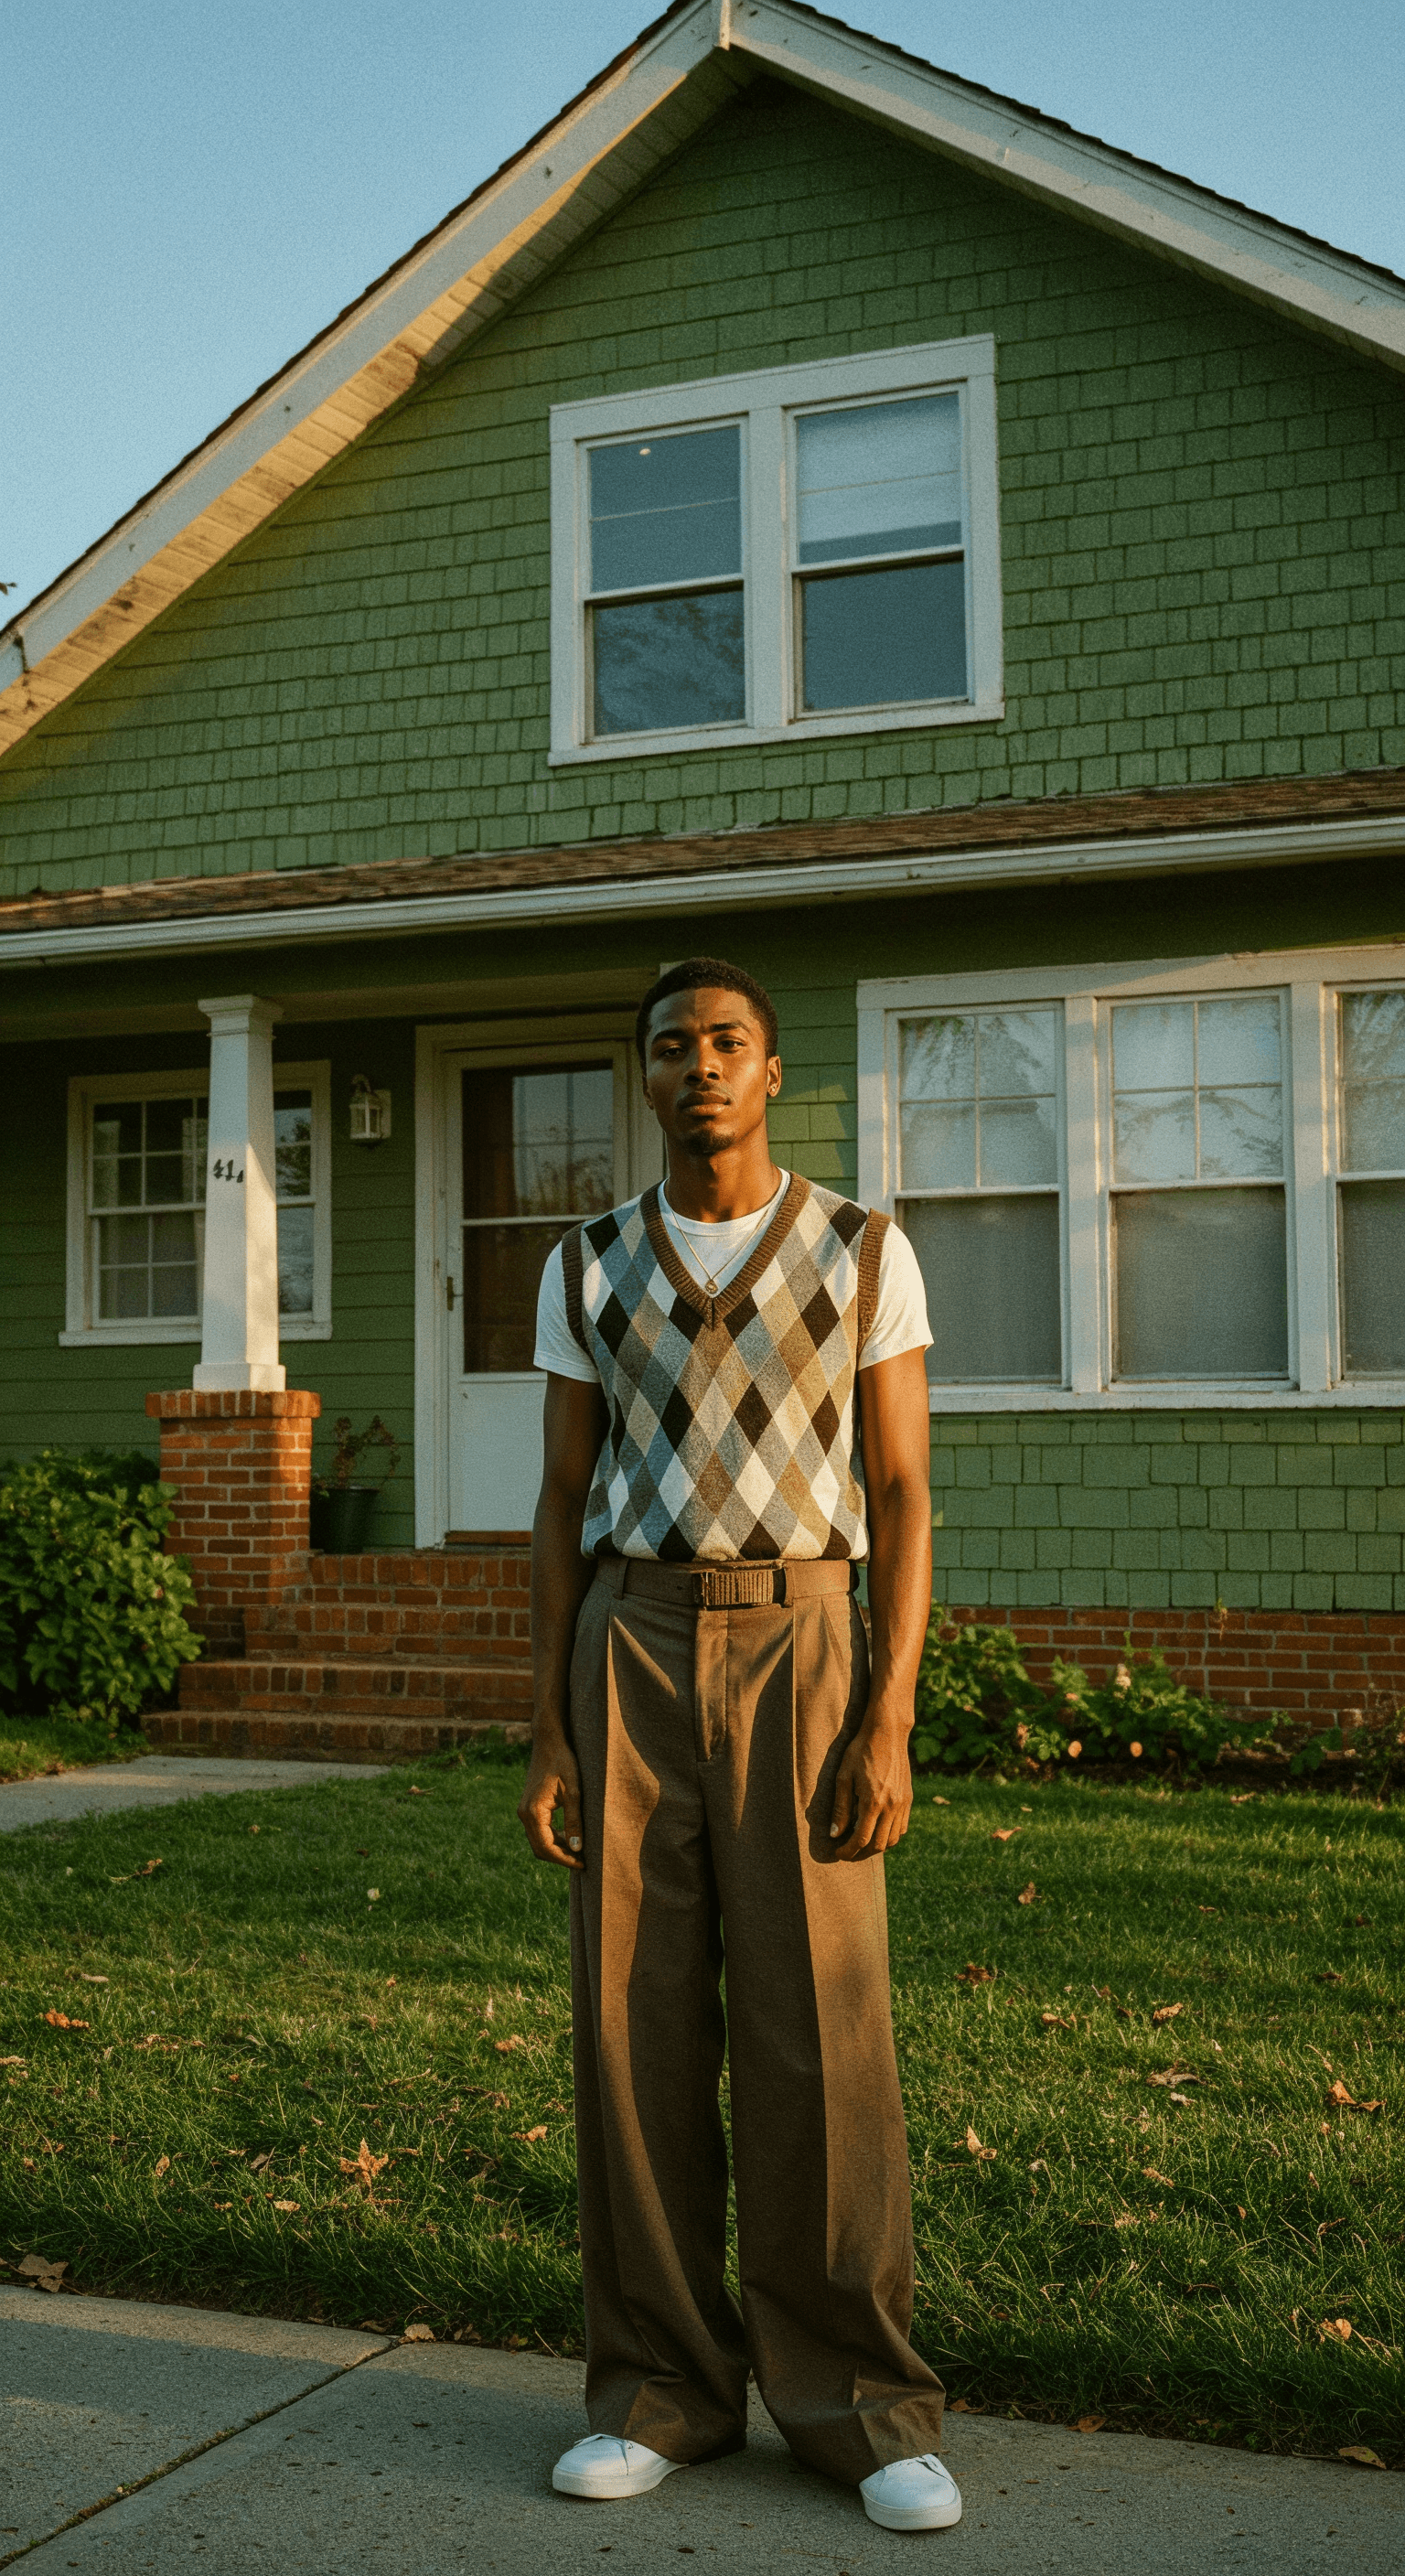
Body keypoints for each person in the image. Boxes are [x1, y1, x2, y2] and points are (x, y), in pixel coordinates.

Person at [519, 956, 960, 2536]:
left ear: (773, 1070)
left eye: (726, 1044)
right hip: (630, 1641)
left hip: (806, 1642)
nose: (698, 1068)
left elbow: (901, 1495)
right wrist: (554, 1728)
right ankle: (659, 2393)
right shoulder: (584, 1265)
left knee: (819, 2030)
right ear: (641, 1079)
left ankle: (861, 2404)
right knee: (633, 2026)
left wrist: (890, 1712)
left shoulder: (861, 1251)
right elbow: (562, 1503)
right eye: (669, 1049)